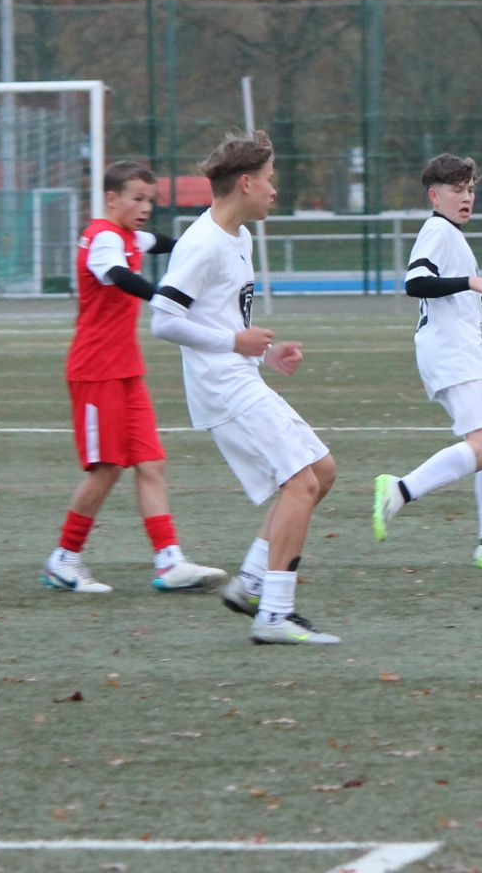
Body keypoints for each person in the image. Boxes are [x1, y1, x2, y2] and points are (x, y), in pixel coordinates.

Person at [150, 131, 341, 645]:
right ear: (245, 183)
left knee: (321, 471)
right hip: (221, 388)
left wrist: (262, 351)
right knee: (300, 484)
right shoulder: (202, 243)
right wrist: (234, 342)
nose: (275, 190)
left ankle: (252, 584)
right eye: (270, 179)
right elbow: (163, 320)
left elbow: (227, 320)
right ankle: (274, 614)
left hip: (240, 376)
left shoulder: (240, 238)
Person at [41, 160, 226, 596]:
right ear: (112, 198)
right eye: (137, 199)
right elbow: (119, 276)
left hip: (126, 370)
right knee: (106, 468)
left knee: (151, 463)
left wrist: (205, 245)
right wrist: (163, 297)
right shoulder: (103, 237)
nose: (145, 208)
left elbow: (161, 242)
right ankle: (63, 559)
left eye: (150, 200)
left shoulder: (128, 236)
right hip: (96, 371)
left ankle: (170, 561)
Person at [373, 153, 482, 567]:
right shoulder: (438, 230)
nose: (467, 197)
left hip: (461, 349)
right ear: (435, 196)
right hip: (453, 352)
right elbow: (416, 282)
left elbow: (469, 305)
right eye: (457, 190)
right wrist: (471, 280)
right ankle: (401, 489)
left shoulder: (452, 236)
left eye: (470, 189)